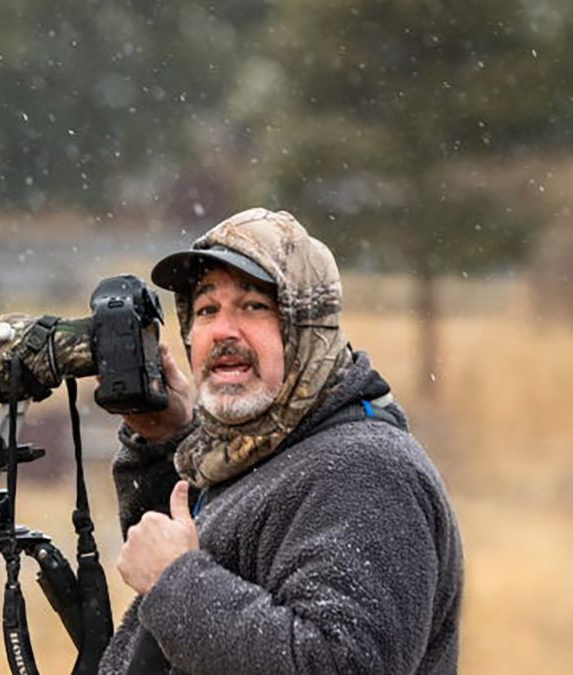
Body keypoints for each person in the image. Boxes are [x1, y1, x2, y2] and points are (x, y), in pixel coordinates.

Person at [97, 208, 463, 674]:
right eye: (207, 310)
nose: (223, 331)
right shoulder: (268, 450)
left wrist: (175, 584)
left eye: (254, 307)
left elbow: (337, 664)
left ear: (308, 327)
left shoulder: (366, 472)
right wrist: (166, 441)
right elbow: (230, 561)